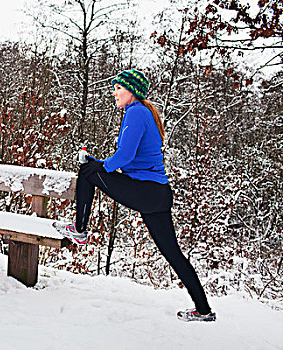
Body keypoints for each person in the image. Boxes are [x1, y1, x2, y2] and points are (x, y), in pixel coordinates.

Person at [53, 69, 216, 322]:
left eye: (118, 88)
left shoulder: (136, 112)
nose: (114, 93)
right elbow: (127, 160)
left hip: (144, 190)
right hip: (157, 193)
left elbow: (125, 156)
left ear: (132, 91)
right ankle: (203, 310)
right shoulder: (143, 112)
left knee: (86, 171)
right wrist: (99, 163)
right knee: (173, 254)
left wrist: (96, 166)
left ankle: (80, 229)